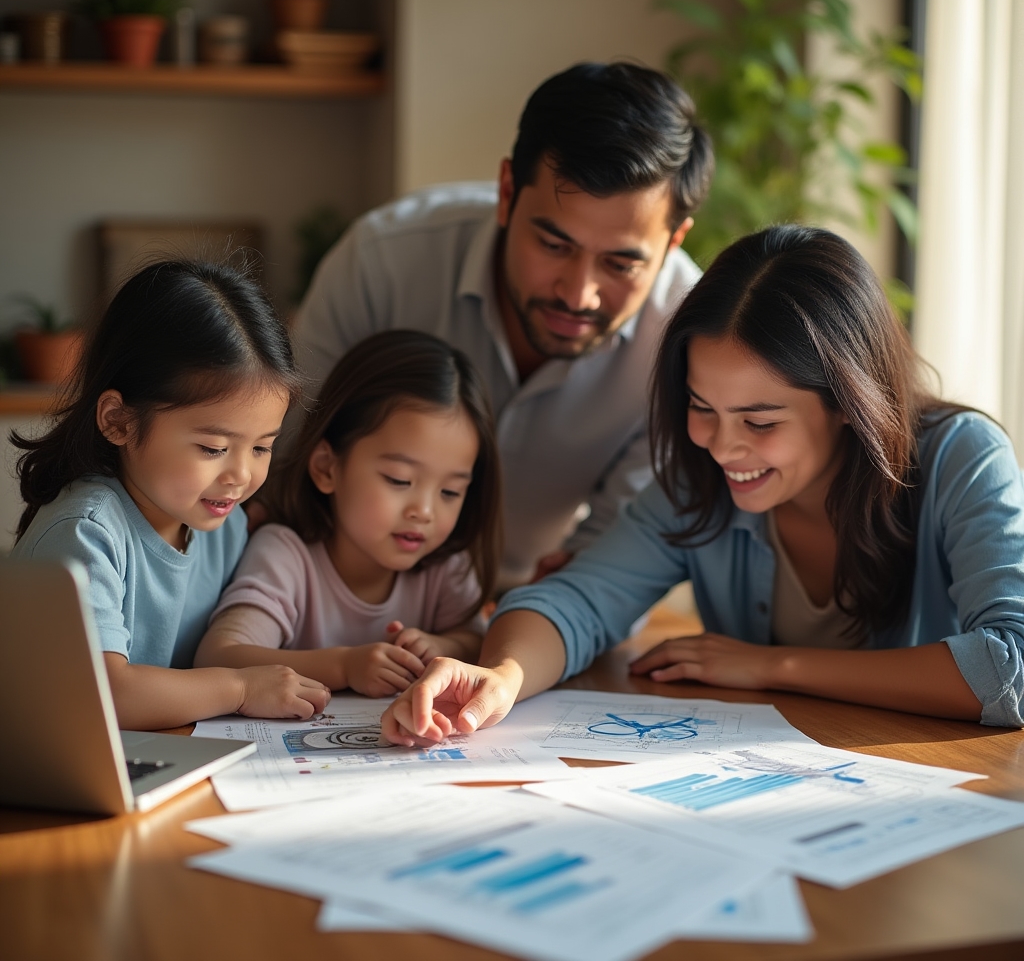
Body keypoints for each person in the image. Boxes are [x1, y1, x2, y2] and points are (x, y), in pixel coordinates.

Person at [381, 225, 1024, 744]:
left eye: (760, 420)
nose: (722, 446)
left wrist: (772, 665)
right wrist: (502, 675)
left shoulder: (961, 457)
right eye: (701, 407)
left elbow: (1011, 668)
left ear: (846, 405)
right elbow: (575, 600)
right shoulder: (701, 481)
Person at [292, 61, 714, 587]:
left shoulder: (690, 341)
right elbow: (290, 464)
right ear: (508, 192)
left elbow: (616, 563)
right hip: (341, 597)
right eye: (555, 245)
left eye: (620, 265)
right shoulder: (382, 263)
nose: (578, 293)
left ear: (674, 242)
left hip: (537, 613)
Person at [9, 259, 331, 730]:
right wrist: (240, 688)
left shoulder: (225, 523)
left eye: (262, 446)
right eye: (213, 448)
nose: (240, 475)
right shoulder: (86, 531)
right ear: (119, 420)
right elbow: (104, 695)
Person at [195, 330, 502, 697]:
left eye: (450, 492)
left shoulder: (445, 565)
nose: (424, 511)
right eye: (399, 480)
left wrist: (445, 648)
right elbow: (218, 656)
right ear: (327, 467)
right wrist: (344, 665)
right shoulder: (286, 555)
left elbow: (478, 642)